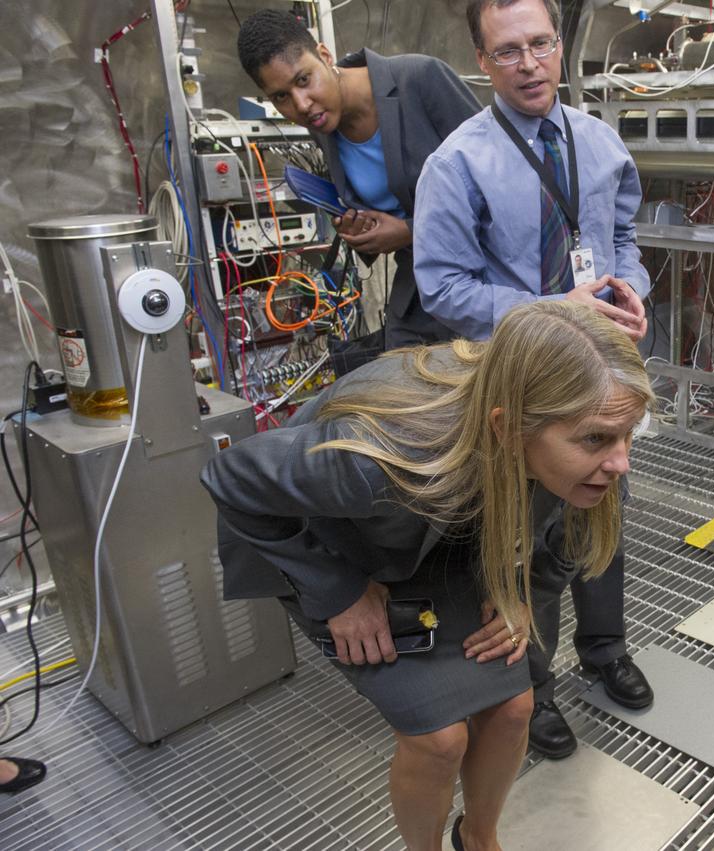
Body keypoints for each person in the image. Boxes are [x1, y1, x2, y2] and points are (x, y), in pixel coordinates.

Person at [201, 300, 654, 851]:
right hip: (327, 542)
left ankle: (479, 836)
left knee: (515, 708)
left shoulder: (587, 447)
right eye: (597, 439)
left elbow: (570, 539)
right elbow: (232, 479)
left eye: (628, 433)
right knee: (439, 741)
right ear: (508, 428)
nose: (620, 459)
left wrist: (517, 598)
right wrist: (339, 594)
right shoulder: (381, 457)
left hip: (447, 529)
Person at [414, 0, 654, 760]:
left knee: (604, 500)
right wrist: (555, 307)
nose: (529, 63)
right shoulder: (457, 163)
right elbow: (442, 287)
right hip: (522, 384)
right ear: (482, 62)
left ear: (559, 48)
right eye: (509, 50)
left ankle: (606, 646)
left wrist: (630, 286)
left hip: (603, 364)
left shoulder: (599, 141)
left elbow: (620, 236)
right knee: (527, 533)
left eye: (541, 44)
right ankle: (535, 686)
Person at [236, 10, 480, 349]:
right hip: (419, 294)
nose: (301, 105)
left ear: (324, 55)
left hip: (483, 285)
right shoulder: (324, 126)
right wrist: (363, 232)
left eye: (304, 79)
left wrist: (409, 231)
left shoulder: (420, 80)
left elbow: (501, 191)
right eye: (281, 97)